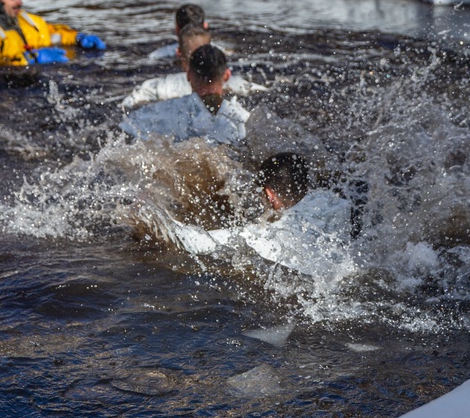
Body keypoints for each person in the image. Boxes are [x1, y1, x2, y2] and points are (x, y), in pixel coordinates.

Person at [165, 152, 358, 278]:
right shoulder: (338, 206)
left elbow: (194, 240)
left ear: (269, 195)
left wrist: (151, 212)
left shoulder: (264, 236)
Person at [118, 44, 250, 145]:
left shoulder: (158, 113)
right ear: (227, 75)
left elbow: (126, 130)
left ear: (188, 75)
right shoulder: (242, 119)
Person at [121, 23, 267, 108]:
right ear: (226, 75)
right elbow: (262, 91)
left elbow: (127, 106)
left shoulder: (161, 87)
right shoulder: (239, 104)